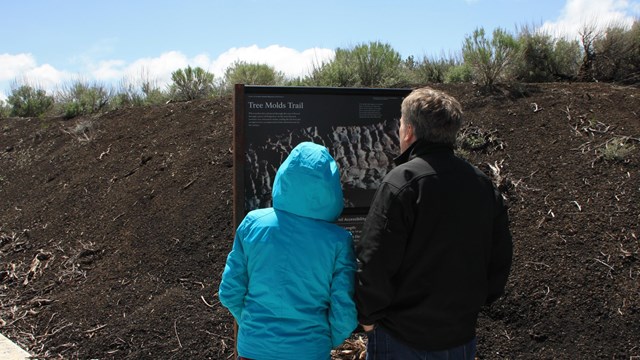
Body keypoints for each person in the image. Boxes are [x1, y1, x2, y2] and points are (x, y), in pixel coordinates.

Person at [355, 87, 513, 359]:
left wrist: (367, 318)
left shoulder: (401, 182)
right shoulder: (481, 185)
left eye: (401, 123)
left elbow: (375, 261)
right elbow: (500, 259)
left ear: (409, 132)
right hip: (459, 338)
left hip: (400, 338)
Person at [219, 142, 358, 360]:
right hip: (310, 352)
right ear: (330, 187)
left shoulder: (252, 224)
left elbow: (229, 291)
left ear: (284, 174)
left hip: (253, 350)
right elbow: (345, 312)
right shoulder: (339, 241)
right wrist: (322, 340)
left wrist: (251, 326)